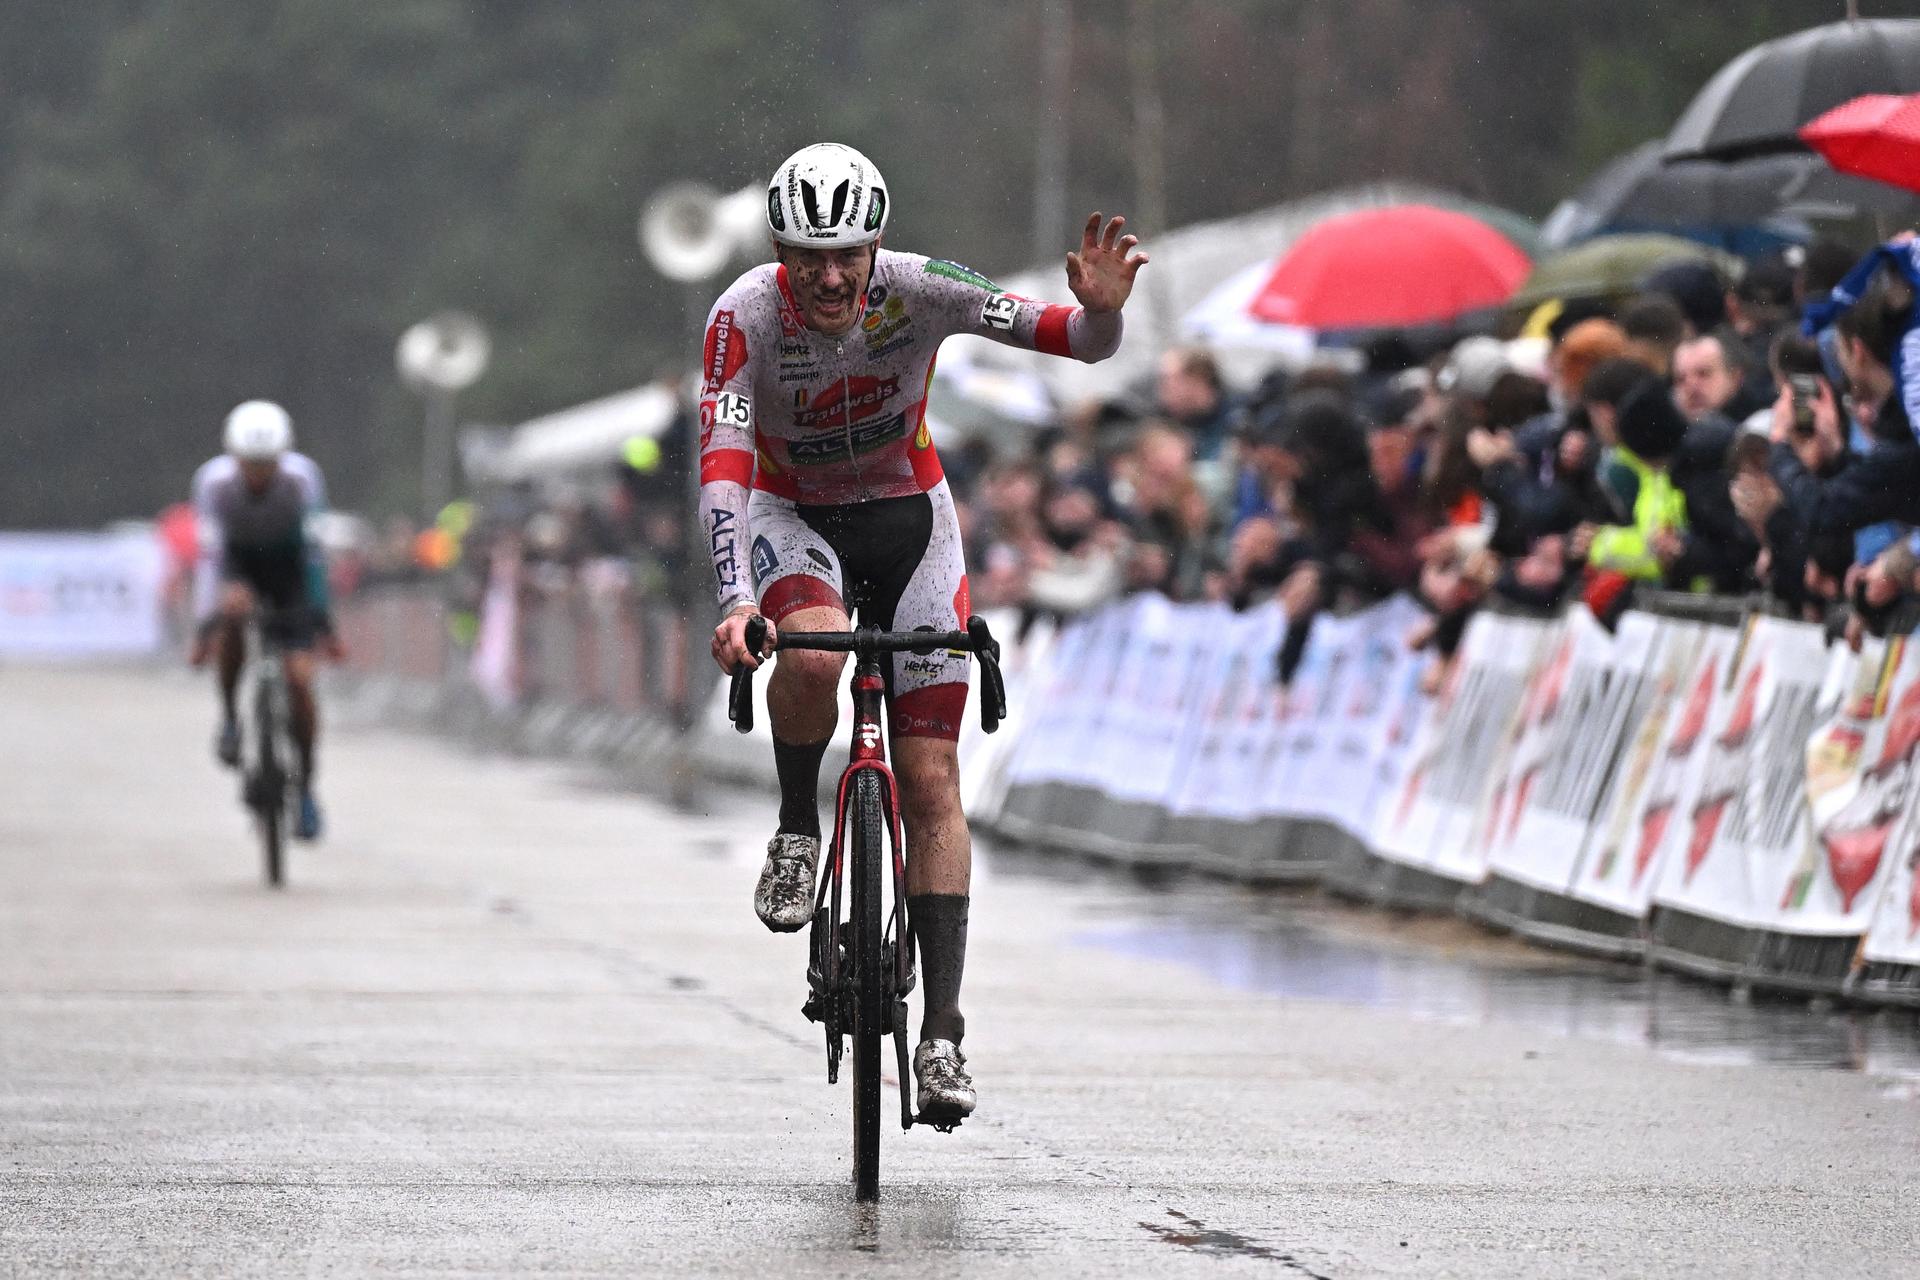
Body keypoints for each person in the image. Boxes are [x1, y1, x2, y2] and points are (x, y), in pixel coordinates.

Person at [698, 143, 1146, 1123]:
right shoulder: (743, 316)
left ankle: (941, 1034)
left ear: (876, 248)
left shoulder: (923, 288)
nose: (829, 278)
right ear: (779, 252)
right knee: (812, 644)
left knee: (933, 778)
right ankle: (797, 826)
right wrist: (736, 599)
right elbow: (725, 462)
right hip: (795, 517)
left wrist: (1105, 312)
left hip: (913, 523)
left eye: (846, 256)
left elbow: (1073, 337)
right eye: (808, 258)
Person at [187, 401, 340, 841]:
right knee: (234, 614)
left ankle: (306, 788)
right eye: (250, 464)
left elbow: (314, 556)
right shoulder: (214, 483)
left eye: (267, 464)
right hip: (240, 565)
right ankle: (230, 717)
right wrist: (206, 625)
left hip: (290, 572)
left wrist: (324, 623)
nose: (258, 473)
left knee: (300, 681)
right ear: (234, 458)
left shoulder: (302, 479)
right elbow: (211, 558)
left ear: (282, 457)